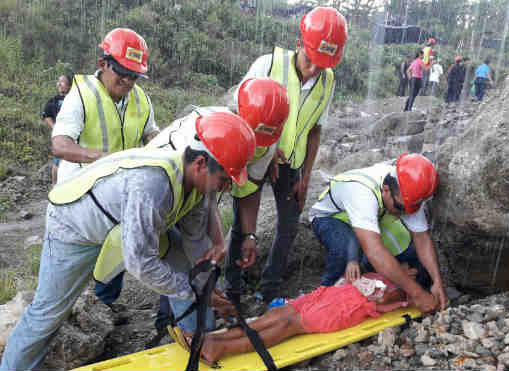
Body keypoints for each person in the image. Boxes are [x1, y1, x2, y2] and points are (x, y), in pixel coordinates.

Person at [0, 112, 257, 371]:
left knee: (184, 267)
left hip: (124, 224)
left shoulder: (198, 187)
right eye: (224, 179)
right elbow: (141, 264)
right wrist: (196, 292)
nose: (225, 188)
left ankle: (201, 343)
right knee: (48, 314)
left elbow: (194, 243)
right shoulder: (152, 185)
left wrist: (207, 287)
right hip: (73, 226)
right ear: (201, 163)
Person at [145, 77, 290, 318]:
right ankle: (178, 321)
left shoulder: (266, 145)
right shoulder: (202, 134)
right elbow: (201, 201)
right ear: (239, 113)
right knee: (177, 258)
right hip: (160, 195)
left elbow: (248, 190)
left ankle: (191, 319)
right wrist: (216, 243)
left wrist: (249, 235)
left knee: (197, 259)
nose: (252, 144)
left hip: (194, 197)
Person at [232, 6, 348, 303]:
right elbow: (239, 112)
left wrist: (306, 176)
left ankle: (267, 289)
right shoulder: (267, 65)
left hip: (292, 165)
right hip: (256, 156)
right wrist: (266, 149)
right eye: (311, 61)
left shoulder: (328, 80)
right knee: (242, 222)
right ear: (299, 44)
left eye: (322, 66)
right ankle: (233, 285)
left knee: (289, 224)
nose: (314, 70)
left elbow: (315, 130)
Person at [50, 28, 160, 308]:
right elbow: (60, 145)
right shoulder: (81, 95)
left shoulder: (141, 99)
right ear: (103, 64)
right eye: (122, 73)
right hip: (80, 197)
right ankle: (66, 307)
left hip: (121, 196)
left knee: (117, 249)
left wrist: (160, 146)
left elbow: (151, 134)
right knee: (75, 261)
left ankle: (104, 305)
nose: (128, 81)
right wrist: (99, 157)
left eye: (134, 75)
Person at [309, 154, 448, 315]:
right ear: (386, 190)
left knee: (414, 262)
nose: (404, 214)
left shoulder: (406, 190)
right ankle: (323, 301)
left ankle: (374, 282)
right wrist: (418, 294)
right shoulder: (362, 193)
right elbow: (375, 252)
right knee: (345, 250)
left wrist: (437, 281)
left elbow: (422, 239)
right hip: (333, 219)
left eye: (410, 209)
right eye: (401, 209)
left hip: (374, 219)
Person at [198, 269, 412, 364]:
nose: (406, 269)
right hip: (329, 294)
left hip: (344, 309)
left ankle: (221, 348)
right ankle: (215, 339)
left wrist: (399, 285)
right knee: (276, 314)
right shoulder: (381, 269)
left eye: (411, 270)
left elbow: (385, 301)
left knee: (286, 325)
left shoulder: (400, 289)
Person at [41, 74, 72, 184]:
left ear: (69, 85)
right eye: (58, 81)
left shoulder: (75, 99)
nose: (59, 84)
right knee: (57, 162)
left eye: (62, 82)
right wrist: (55, 127)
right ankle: (55, 187)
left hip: (74, 136)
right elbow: (46, 115)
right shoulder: (53, 101)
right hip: (59, 136)